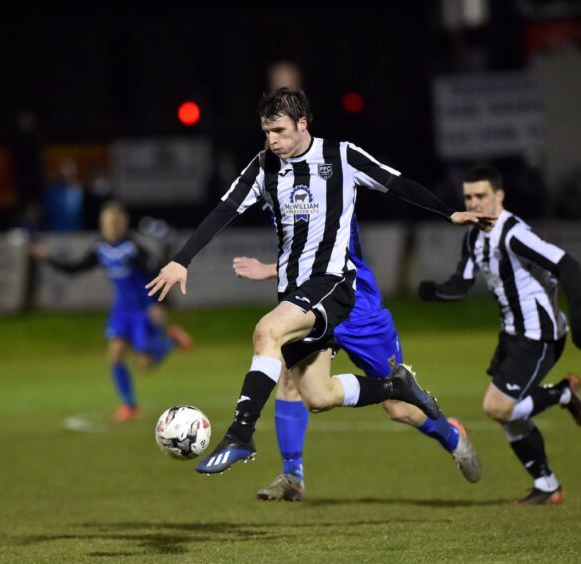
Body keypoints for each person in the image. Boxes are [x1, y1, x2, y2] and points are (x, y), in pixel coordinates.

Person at [146, 88, 494, 475]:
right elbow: (226, 208)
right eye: (266, 132)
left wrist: (449, 214)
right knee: (317, 395)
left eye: (279, 130)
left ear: (302, 124)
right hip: (297, 292)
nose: (272, 140)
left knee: (268, 333)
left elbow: (396, 183)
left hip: (338, 286)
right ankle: (394, 388)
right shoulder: (264, 166)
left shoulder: (341, 156)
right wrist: (182, 260)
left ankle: (241, 434)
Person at [233, 213, 481, 502]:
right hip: (315, 302)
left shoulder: (332, 173)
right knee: (291, 377)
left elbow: (328, 245)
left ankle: (451, 435)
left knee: (399, 408)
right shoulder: (276, 187)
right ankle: (292, 475)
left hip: (358, 307)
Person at [417, 166, 581, 505]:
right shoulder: (474, 235)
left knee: (498, 407)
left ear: (498, 196)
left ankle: (561, 394)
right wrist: (435, 292)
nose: (474, 202)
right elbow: (462, 283)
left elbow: (568, 265)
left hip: (540, 335)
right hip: (513, 335)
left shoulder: (513, 233)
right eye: (469, 197)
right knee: (508, 415)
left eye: (481, 196)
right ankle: (547, 485)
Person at [31, 201, 192, 422]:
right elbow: (75, 268)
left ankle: (172, 340)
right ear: (102, 225)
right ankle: (129, 406)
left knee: (145, 364)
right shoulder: (100, 248)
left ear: (124, 224)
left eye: (117, 223)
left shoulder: (134, 248)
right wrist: (47, 258)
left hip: (143, 310)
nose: (113, 227)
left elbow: (156, 273)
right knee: (115, 353)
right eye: (109, 223)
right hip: (122, 309)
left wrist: (159, 304)